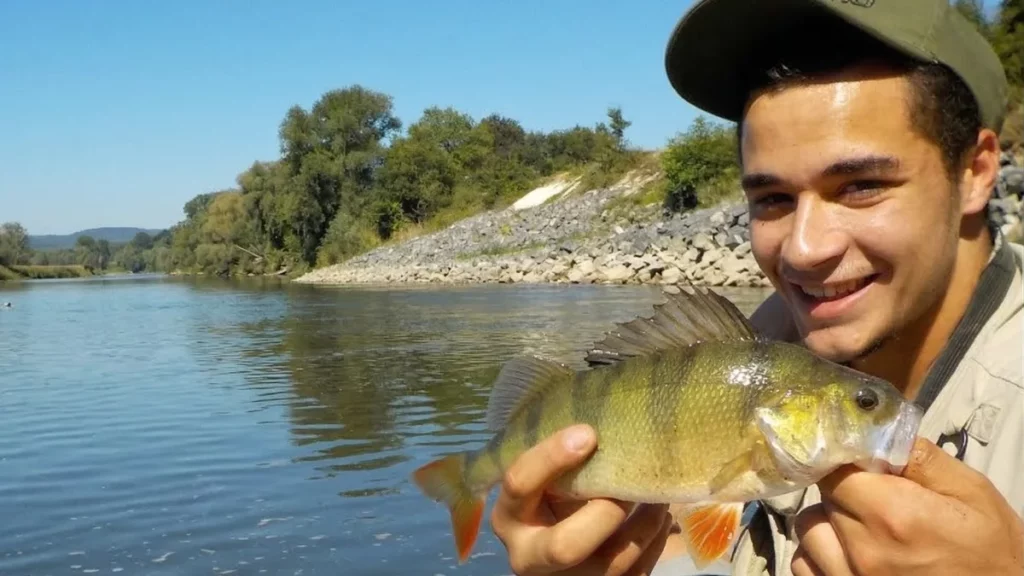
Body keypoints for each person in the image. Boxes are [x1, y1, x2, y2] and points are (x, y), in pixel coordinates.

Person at [488, 0, 1024, 574]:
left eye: (862, 185)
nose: (803, 248)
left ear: (974, 174)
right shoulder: (754, 351)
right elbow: (684, 541)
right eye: (772, 199)